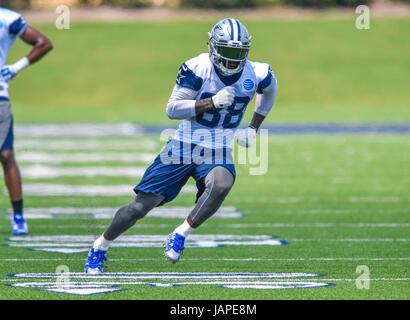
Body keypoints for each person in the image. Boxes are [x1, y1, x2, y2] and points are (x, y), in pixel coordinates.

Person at [85, 18, 278, 273]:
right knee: (141, 206)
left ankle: (180, 233)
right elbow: (172, 109)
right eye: (228, 53)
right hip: (184, 143)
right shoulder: (197, 68)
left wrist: (253, 127)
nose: (232, 61)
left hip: (217, 146)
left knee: (221, 184)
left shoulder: (257, 72)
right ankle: (100, 246)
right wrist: (211, 102)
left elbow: (270, 90)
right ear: (214, 47)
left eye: (238, 53)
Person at [0, 7, 53, 235]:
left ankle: (18, 215)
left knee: (6, 154)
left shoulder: (7, 18)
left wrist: (14, 69)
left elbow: (43, 43)